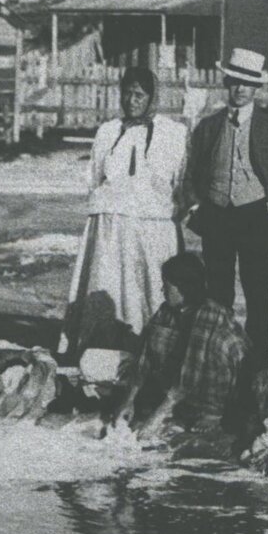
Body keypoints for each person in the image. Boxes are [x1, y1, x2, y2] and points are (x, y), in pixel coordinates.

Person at [181, 46, 268, 364]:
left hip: (255, 218)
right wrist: (196, 208)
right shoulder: (208, 127)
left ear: (256, 87)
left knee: (258, 296)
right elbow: (190, 176)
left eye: (247, 83)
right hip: (216, 216)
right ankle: (220, 364)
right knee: (218, 296)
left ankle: (256, 370)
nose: (239, 89)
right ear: (226, 82)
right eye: (234, 81)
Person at [61, 65, 188, 359]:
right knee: (108, 285)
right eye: (128, 94)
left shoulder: (173, 133)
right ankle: (100, 349)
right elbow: (94, 177)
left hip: (152, 228)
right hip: (110, 227)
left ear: (152, 97)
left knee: (149, 290)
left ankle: (150, 351)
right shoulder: (108, 132)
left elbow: (181, 181)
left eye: (140, 95)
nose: (133, 101)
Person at [111, 252, 248, 444]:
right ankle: (181, 409)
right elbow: (144, 357)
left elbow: (191, 373)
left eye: (167, 286)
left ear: (184, 287)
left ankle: (213, 412)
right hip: (182, 387)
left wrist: (156, 418)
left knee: (219, 344)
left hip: (220, 387)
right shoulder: (166, 311)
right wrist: (129, 399)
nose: (162, 290)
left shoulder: (208, 312)